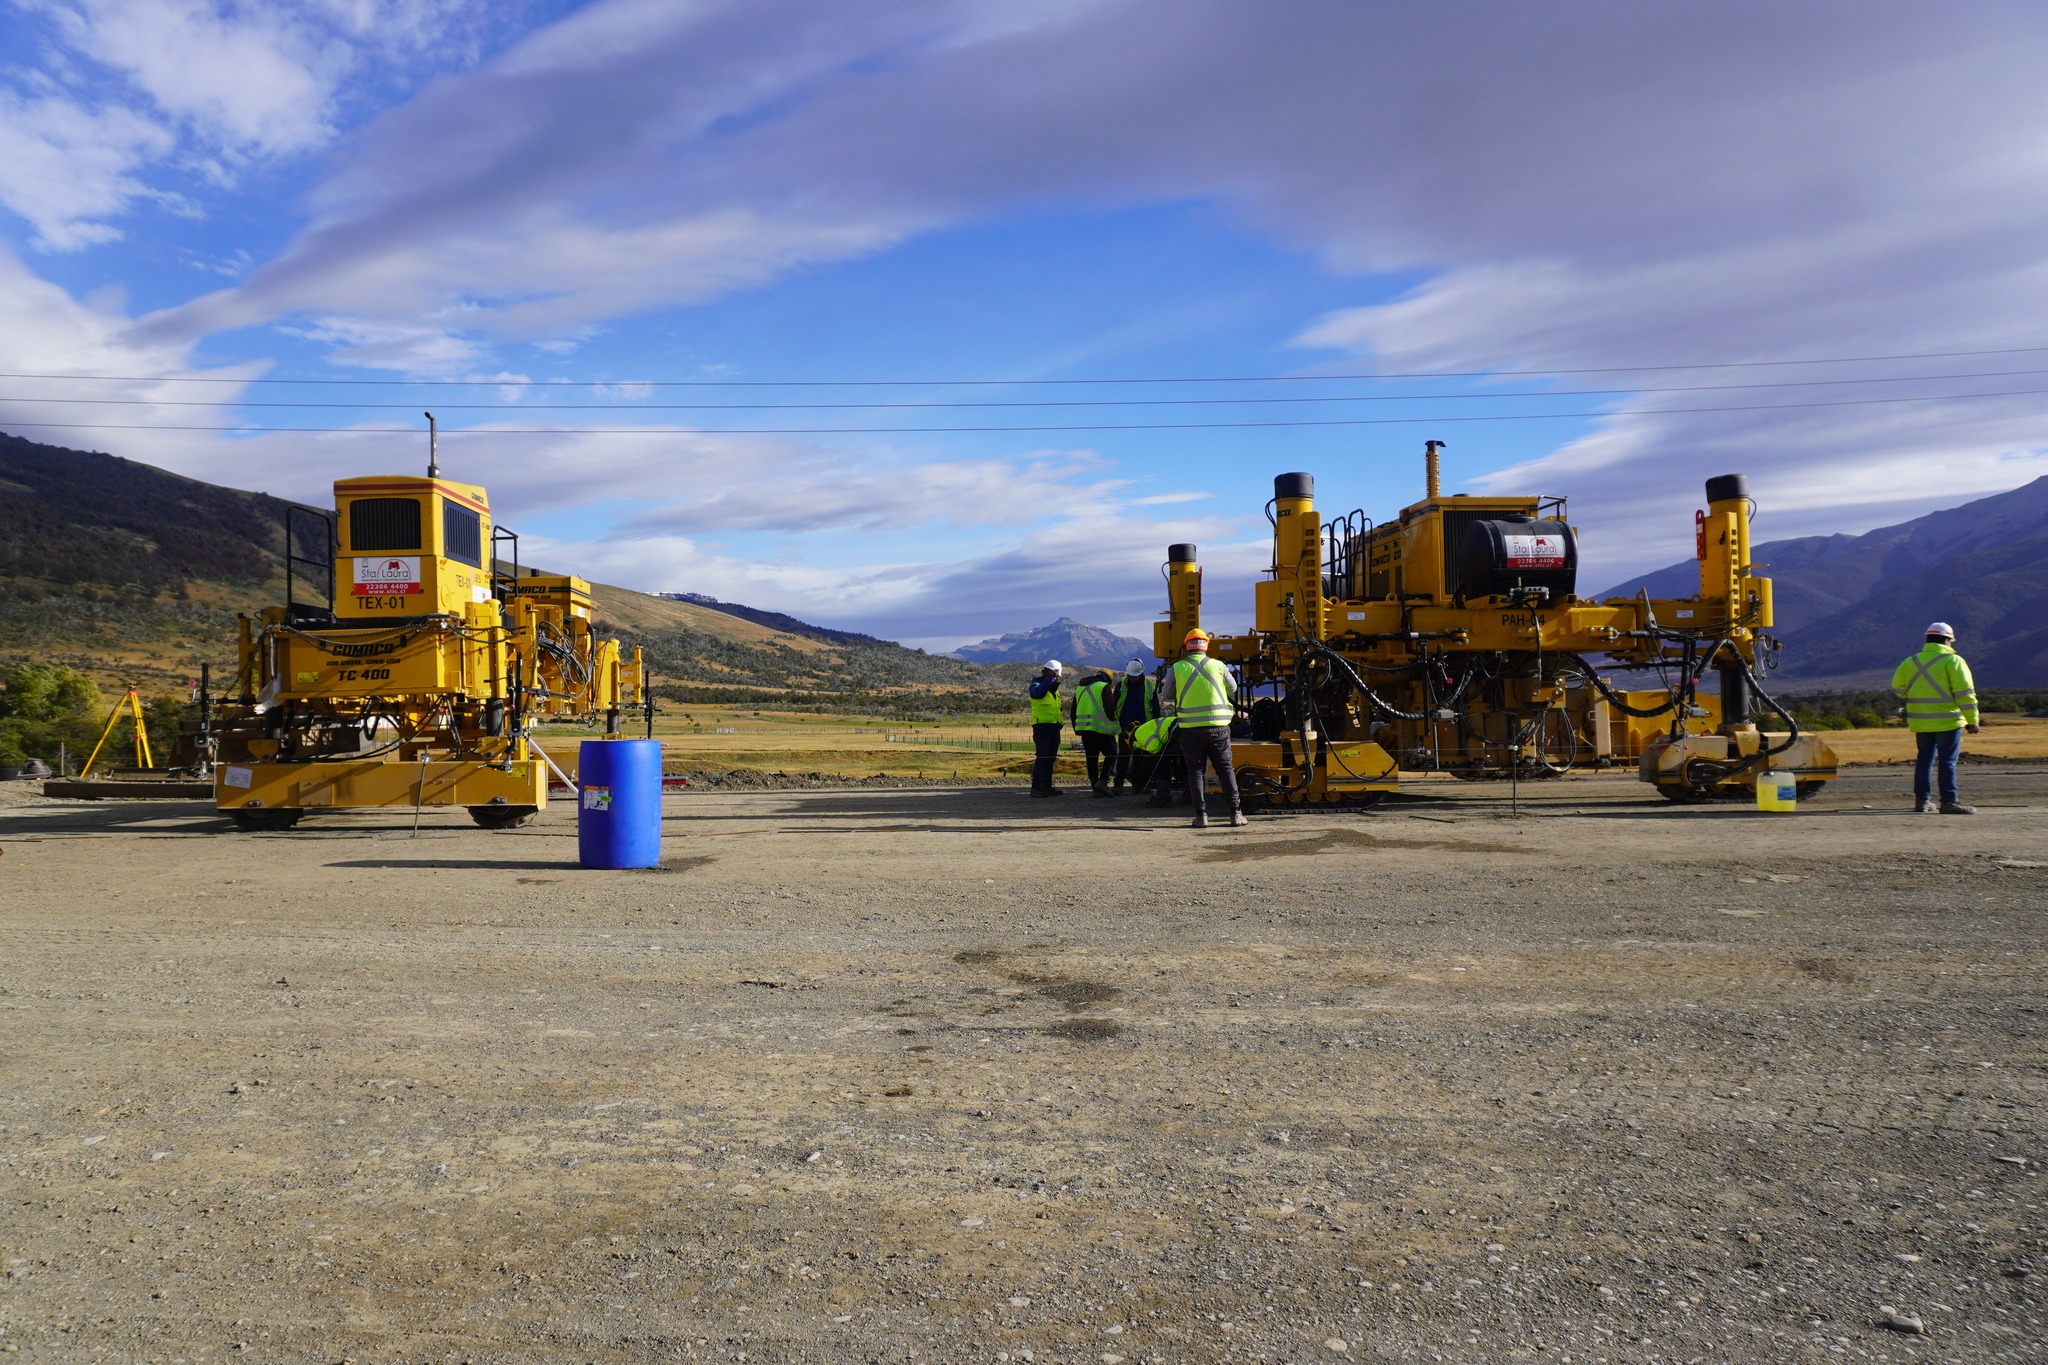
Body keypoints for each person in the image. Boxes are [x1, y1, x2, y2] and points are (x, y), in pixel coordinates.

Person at [1891, 621, 1980, 815]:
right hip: (1948, 721)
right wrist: (1972, 721)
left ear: (1928, 639)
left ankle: (1922, 802)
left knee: (1924, 761)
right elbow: (1965, 694)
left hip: (1920, 722)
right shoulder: (1954, 662)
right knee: (1947, 762)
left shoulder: (1910, 662)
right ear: (1947, 640)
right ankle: (1949, 802)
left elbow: (1898, 689)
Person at [1169, 630, 1247, 828]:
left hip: (1190, 729)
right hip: (1218, 728)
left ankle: (1201, 816)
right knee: (1225, 770)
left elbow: (1166, 693)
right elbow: (1234, 688)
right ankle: (1235, 814)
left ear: (1187, 645)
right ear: (1206, 646)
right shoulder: (1219, 665)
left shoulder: (1177, 667)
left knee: (1195, 772)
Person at [1109, 657, 1159, 794]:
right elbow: (1114, 705)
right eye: (1131, 676)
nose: (1133, 678)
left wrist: (1155, 727)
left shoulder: (1150, 686)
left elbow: (1155, 708)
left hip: (1143, 728)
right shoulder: (1121, 685)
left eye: (1135, 676)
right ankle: (1118, 785)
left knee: (1139, 757)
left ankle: (1137, 785)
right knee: (1123, 756)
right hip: (1125, 726)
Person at [1072, 667, 1119, 796]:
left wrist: (1076, 729)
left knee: (1091, 758)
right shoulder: (1103, 687)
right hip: (1101, 729)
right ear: (1108, 680)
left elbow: (1073, 711)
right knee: (1112, 754)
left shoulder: (1079, 688)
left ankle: (1094, 787)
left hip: (1085, 731)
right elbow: (1110, 709)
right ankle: (1102, 782)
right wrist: (1113, 722)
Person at [1027, 660, 1065, 797]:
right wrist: (1050, 679)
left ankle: (1047, 786)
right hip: (1042, 727)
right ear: (1050, 672)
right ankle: (1036, 787)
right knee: (1042, 758)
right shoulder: (1036, 685)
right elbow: (1037, 693)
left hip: (1054, 727)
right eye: (1056, 673)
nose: (1058, 676)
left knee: (1050, 758)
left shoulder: (1053, 689)